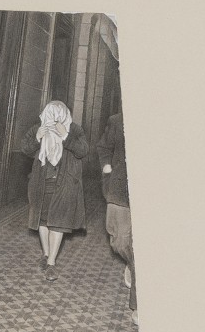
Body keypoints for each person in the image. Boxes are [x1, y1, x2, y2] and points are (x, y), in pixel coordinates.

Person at [18, 100, 89, 280]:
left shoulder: (75, 130)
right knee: (43, 220)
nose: (55, 118)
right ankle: (46, 253)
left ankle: (51, 263)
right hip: (42, 182)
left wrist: (66, 136)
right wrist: (37, 138)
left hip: (65, 184)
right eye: (51, 113)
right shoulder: (38, 128)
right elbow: (25, 149)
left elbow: (83, 151)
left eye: (59, 114)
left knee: (58, 221)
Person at [99, 110, 135, 298]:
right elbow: (104, 147)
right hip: (120, 188)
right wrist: (107, 168)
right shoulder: (117, 121)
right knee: (118, 240)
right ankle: (132, 262)